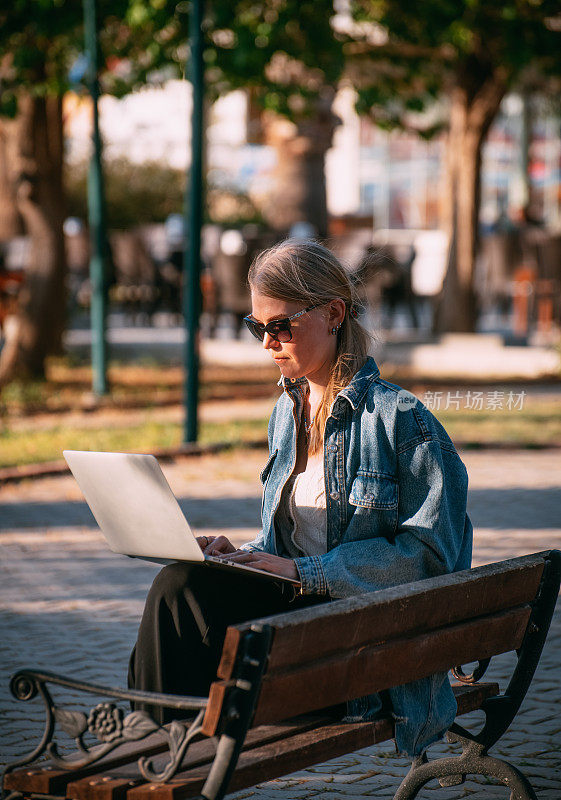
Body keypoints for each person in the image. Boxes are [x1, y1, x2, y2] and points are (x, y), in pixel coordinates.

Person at [128, 239, 473, 758]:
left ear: (334, 314)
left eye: (280, 325)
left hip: (361, 652)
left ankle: (149, 747)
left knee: (180, 593)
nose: (268, 343)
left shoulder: (402, 421)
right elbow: (290, 545)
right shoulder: (286, 413)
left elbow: (430, 562)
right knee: (187, 582)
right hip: (303, 632)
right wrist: (243, 556)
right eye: (255, 327)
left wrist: (302, 574)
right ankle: (158, 745)